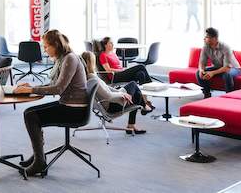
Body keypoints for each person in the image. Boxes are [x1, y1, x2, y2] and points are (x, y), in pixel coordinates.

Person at [13, 30, 88, 176]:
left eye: (46, 46)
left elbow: (59, 88)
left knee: (31, 115)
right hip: (69, 105)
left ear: (56, 45)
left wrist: (32, 89)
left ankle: (39, 162)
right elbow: (55, 83)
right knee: (29, 113)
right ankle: (38, 156)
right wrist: (30, 88)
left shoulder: (70, 59)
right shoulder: (63, 58)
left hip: (75, 110)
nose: (44, 50)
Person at [82, 51, 155, 135]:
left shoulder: (89, 76)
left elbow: (107, 88)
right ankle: (144, 105)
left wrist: (121, 92)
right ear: (91, 63)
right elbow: (108, 96)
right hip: (112, 105)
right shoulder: (93, 79)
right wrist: (122, 94)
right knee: (133, 84)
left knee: (137, 93)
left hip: (112, 100)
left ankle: (131, 125)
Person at [196, 27, 241, 98]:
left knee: (227, 74)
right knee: (198, 72)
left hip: (233, 68)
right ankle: (207, 94)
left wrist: (212, 73)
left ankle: (229, 97)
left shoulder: (225, 47)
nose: (204, 39)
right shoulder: (205, 47)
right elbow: (202, 63)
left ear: (215, 38)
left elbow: (226, 68)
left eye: (207, 37)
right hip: (218, 68)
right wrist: (201, 70)